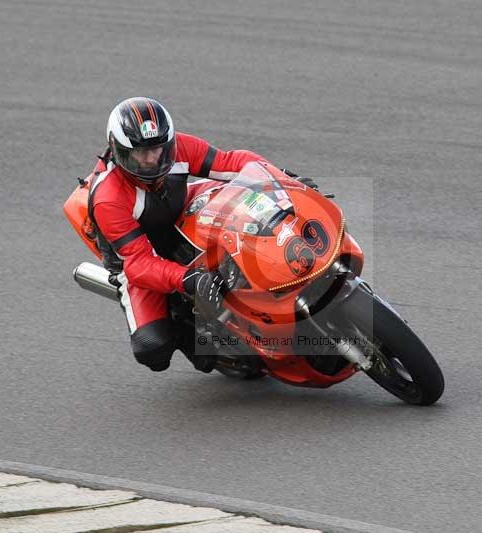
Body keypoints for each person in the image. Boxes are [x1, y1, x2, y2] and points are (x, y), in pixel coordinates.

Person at [88, 97, 315, 373]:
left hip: (181, 208)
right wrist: (187, 279)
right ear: (119, 151)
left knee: (250, 211)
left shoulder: (176, 148)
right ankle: (195, 333)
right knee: (153, 349)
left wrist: (282, 181)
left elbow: (231, 162)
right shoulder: (109, 197)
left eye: (158, 148)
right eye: (141, 153)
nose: (151, 159)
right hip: (140, 254)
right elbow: (137, 263)